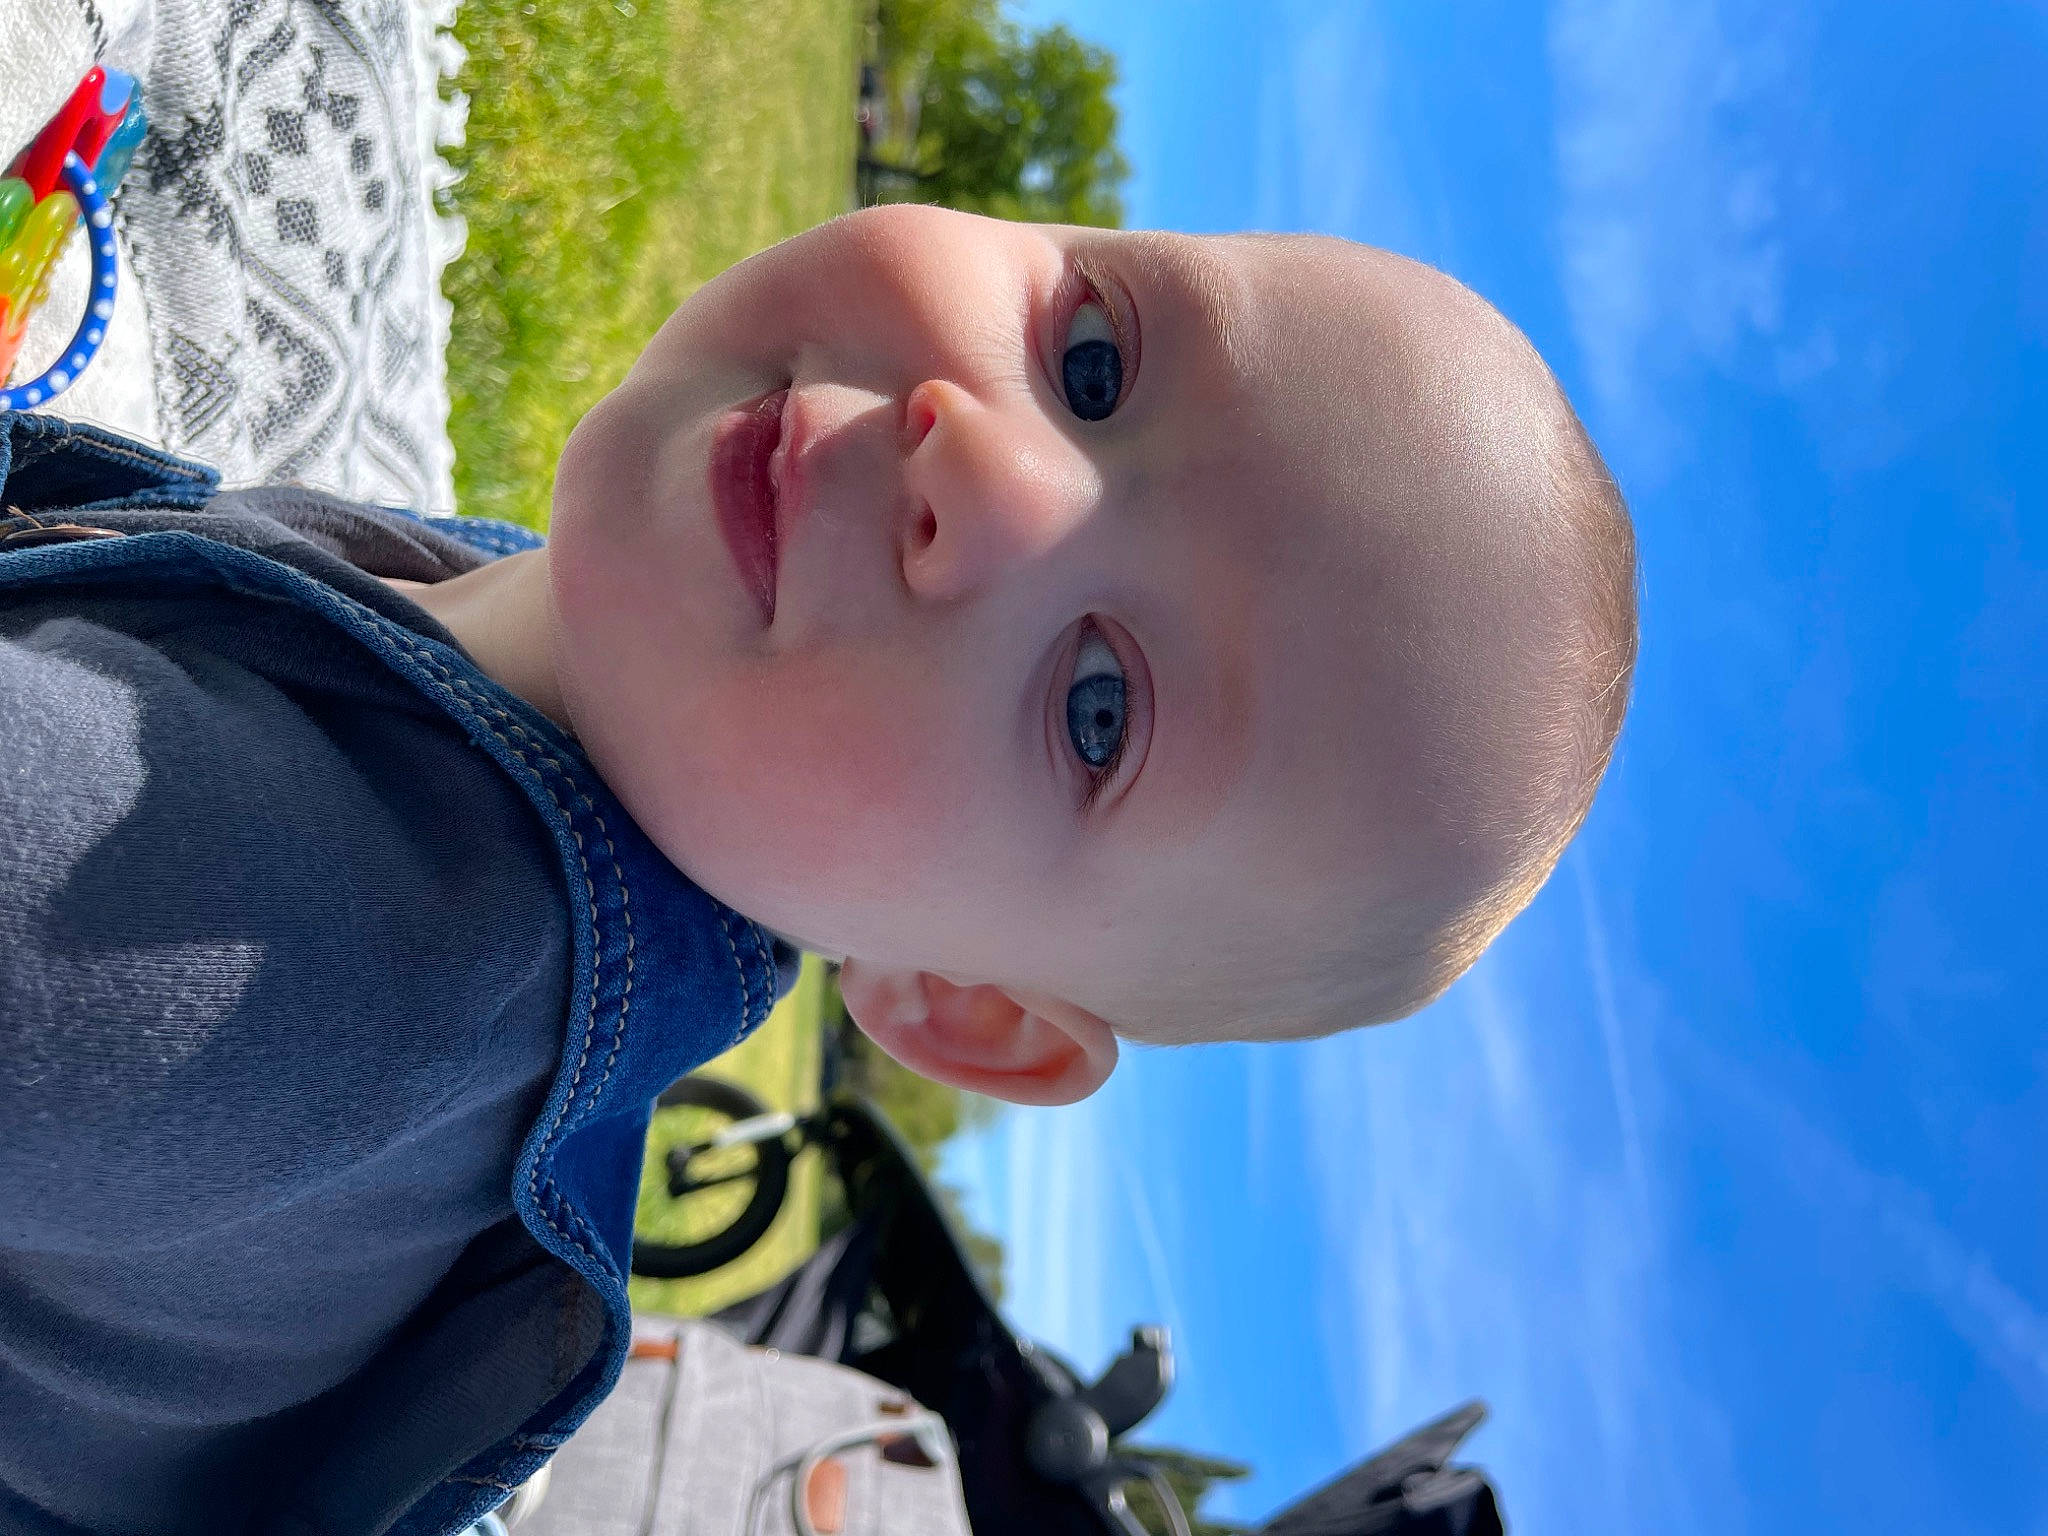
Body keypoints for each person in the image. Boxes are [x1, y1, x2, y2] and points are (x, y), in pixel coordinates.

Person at [0, 204, 1636, 1536]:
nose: (975, 472)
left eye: (1099, 710)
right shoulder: (576, 648)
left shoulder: (270, 929)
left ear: (965, 1007)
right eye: (1091, 360)